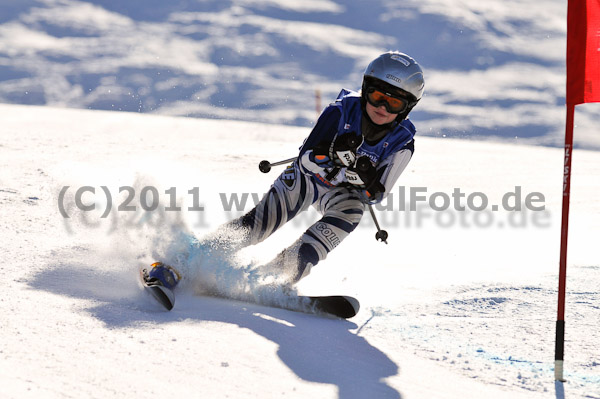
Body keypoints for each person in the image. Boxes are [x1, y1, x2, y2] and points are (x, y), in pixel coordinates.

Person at [147, 51, 425, 291]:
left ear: (407, 108)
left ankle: (273, 279)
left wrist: (364, 181)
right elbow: (307, 158)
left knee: (351, 213)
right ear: (365, 89)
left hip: (344, 194)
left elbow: (377, 194)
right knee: (257, 226)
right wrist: (332, 155)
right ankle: (181, 265)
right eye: (377, 96)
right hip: (310, 178)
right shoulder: (341, 110)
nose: (382, 107)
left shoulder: (403, 142)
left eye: (394, 103)